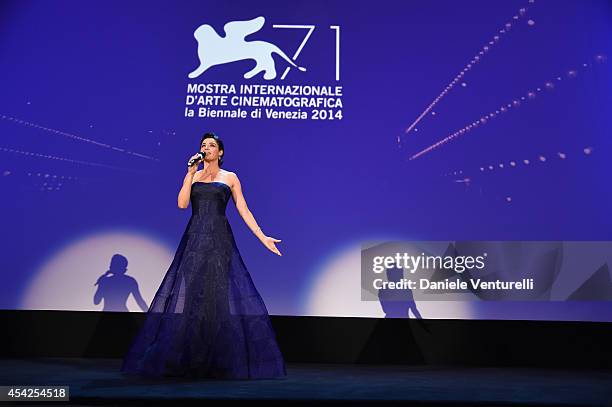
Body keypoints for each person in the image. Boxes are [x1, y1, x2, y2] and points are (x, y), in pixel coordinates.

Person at [120, 132, 287, 379]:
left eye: (211, 145)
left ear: (220, 152)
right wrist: (189, 174)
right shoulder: (195, 175)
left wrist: (263, 237)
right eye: (203, 145)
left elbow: (243, 209)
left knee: (216, 299)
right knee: (192, 300)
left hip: (220, 242)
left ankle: (217, 359)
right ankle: (191, 358)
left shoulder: (230, 177)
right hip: (195, 241)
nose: (206, 148)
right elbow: (182, 204)